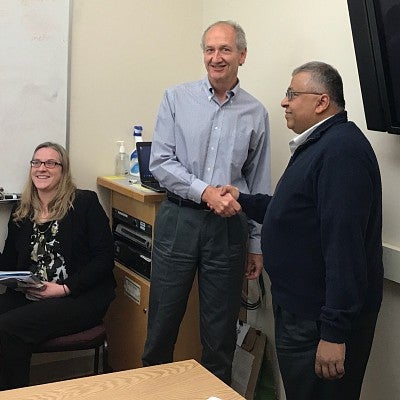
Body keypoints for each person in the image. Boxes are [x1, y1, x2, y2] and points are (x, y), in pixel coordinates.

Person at [218, 61, 383, 399]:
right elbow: (294, 215)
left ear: (322, 102)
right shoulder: (319, 144)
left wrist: (334, 334)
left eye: (292, 94)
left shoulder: (341, 152)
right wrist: (244, 199)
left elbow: (344, 248)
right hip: (301, 313)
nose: (284, 102)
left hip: (319, 323)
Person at [141, 20, 271, 384]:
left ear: (242, 56)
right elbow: (161, 162)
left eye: (225, 49)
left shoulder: (256, 113)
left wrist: (257, 245)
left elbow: (258, 184)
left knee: (220, 334)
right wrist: (204, 191)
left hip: (228, 230)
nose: (216, 57)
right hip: (179, 219)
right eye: (210, 49)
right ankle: (152, 391)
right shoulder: (175, 99)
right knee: (162, 324)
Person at [0, 142, 116, 390]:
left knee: (8, 329)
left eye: (50, 163)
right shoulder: (22, 211)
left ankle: (15, 395)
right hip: (29, 292)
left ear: (63, 170)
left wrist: (64, 289)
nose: (42, 168)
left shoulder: (85, 204)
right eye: (36, 163)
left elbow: (104, 260)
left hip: (77, 297)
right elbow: (8, 262)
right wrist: (12, 279)